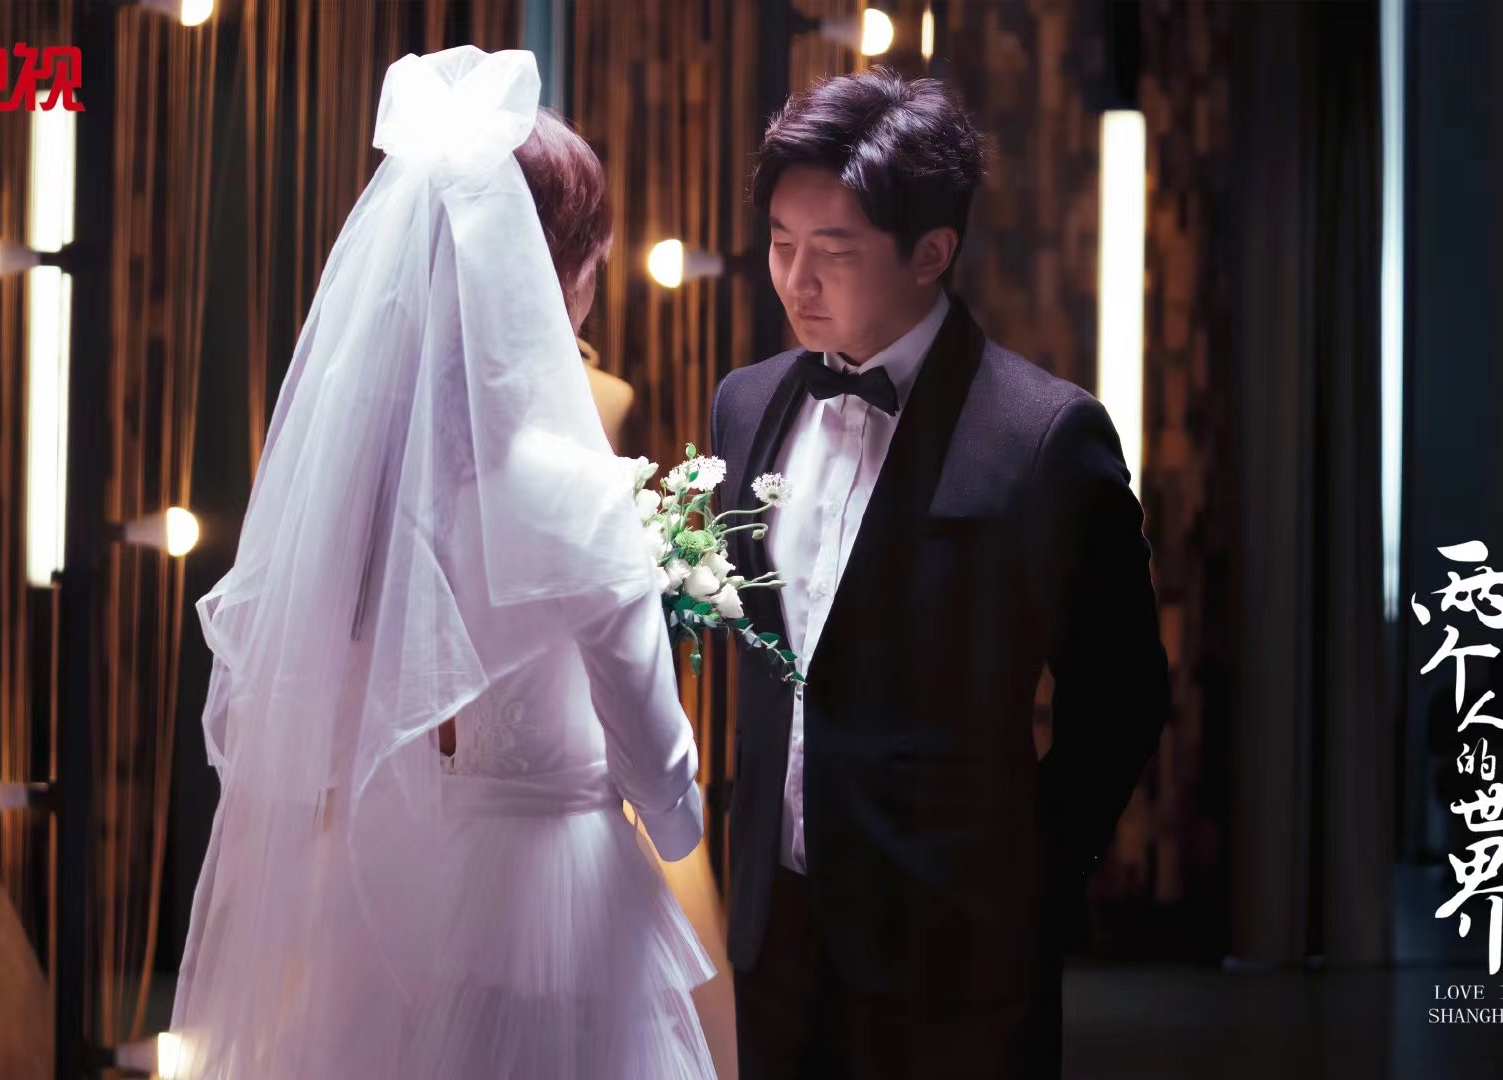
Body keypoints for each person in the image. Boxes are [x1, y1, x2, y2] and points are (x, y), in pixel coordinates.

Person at [168, 46, 717, 1079]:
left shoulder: (363, 478)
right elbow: (654, 762)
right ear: (552, 271)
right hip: (558, 896)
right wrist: (680, 826)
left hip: (390, 885)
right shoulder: (575, 487)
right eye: (590, 264)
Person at [710, 69, 1171, 1078]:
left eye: (833, 250)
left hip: (957, 953)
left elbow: (1123, 695)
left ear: (931, 252)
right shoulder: (742, 406)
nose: (796, 281)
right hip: (772, 933)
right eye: (781, 243)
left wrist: (1026, 885)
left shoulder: (1041, 436)